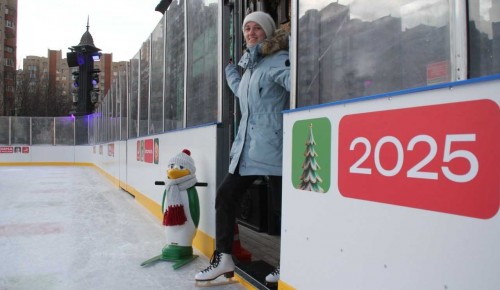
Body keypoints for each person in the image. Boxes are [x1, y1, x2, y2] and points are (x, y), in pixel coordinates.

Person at [195, 11, 290, 284]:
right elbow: (243, 92)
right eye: (247, 28)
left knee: (280, 211)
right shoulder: (252, 67)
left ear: (268, 33)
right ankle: (224, 257)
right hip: (248, 150)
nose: (250, 32)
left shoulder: (276, 60)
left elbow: (294, 83)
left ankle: (289, 263)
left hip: (274, 147)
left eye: (256, 28)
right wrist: (230, 73)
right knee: (225, 197)